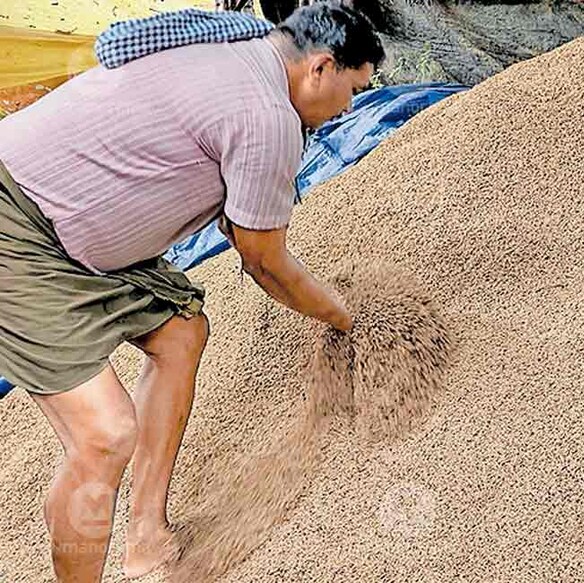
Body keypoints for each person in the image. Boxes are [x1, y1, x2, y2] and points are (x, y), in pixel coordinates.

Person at [0, 2, 383, 580]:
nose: (351, 109)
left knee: (180, 329)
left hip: (74, 232)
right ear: (321, 68)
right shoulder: (267, 115)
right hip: (18, 228)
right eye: (354, 90)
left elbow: (236, 215)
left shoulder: (236, 48)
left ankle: (145, 534)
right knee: (104, 436)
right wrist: (343, 318)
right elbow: (265, 263)